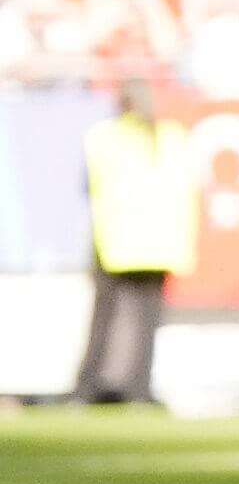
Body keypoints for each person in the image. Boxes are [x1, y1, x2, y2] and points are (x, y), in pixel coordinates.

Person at [76, 77, 187, 408]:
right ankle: (140, 388)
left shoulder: (104, 136)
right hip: (160, 243)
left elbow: (87, 186)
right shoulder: (172, 137)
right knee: (147, 321)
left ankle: (88, 388)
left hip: (114, 241)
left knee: (103, 318)